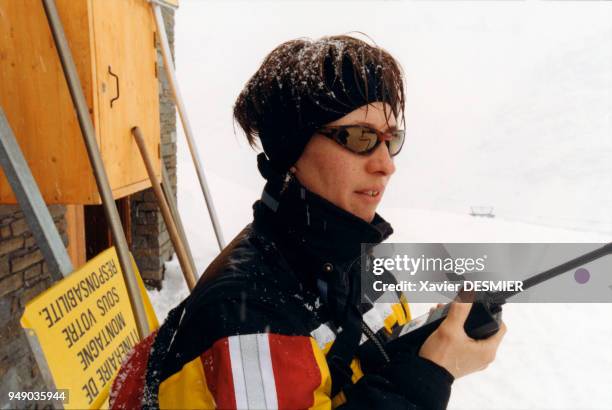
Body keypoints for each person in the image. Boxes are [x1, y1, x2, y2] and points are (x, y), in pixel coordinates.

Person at [110, 34, 506, 410]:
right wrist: (430, 374)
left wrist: (427, 345)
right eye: (358, 137)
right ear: (292, 152)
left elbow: (365, 369)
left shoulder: (360, 261)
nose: (386, 164)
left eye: (390, 139)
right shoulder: (249, 319)